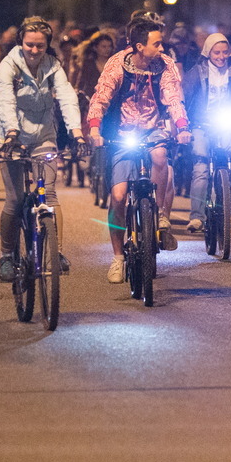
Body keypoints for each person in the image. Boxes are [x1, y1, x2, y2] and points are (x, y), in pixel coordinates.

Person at [87, 17, 192, 283]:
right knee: (119, 197)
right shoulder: (116, 65)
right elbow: (101, 96)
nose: (161, 48)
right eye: (156, 43)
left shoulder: (165, 64)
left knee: (160, 155)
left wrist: (182, 127)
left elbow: (174, 97)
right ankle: (118, 257)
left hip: (153, 127)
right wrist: (95, 129)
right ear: (138, 46)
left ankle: (156, 216)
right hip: (123, 133)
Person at [0, 17, 85, 282]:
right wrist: (11, 131)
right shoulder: (8, 66)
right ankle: (7, 256)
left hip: (43, 135)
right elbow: (5, 99)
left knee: (50, 195)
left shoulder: (53, 66)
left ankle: (57, 252)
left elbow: (66, 96)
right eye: (29, 45)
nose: (34, 50)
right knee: (16, 198)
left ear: (47, 46)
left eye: (40, 46)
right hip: (11, 137)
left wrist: (76, 132)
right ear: (21, 42)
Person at [182, 33, 231, 233]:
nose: (221, 56)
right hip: (201, 124)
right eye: (217, 52)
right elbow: (184, 95)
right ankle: (197, 216)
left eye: (225, 52)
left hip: (227, 121)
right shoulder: (197, 72)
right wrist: (182, 121)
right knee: (201, 167)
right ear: (208, 53)